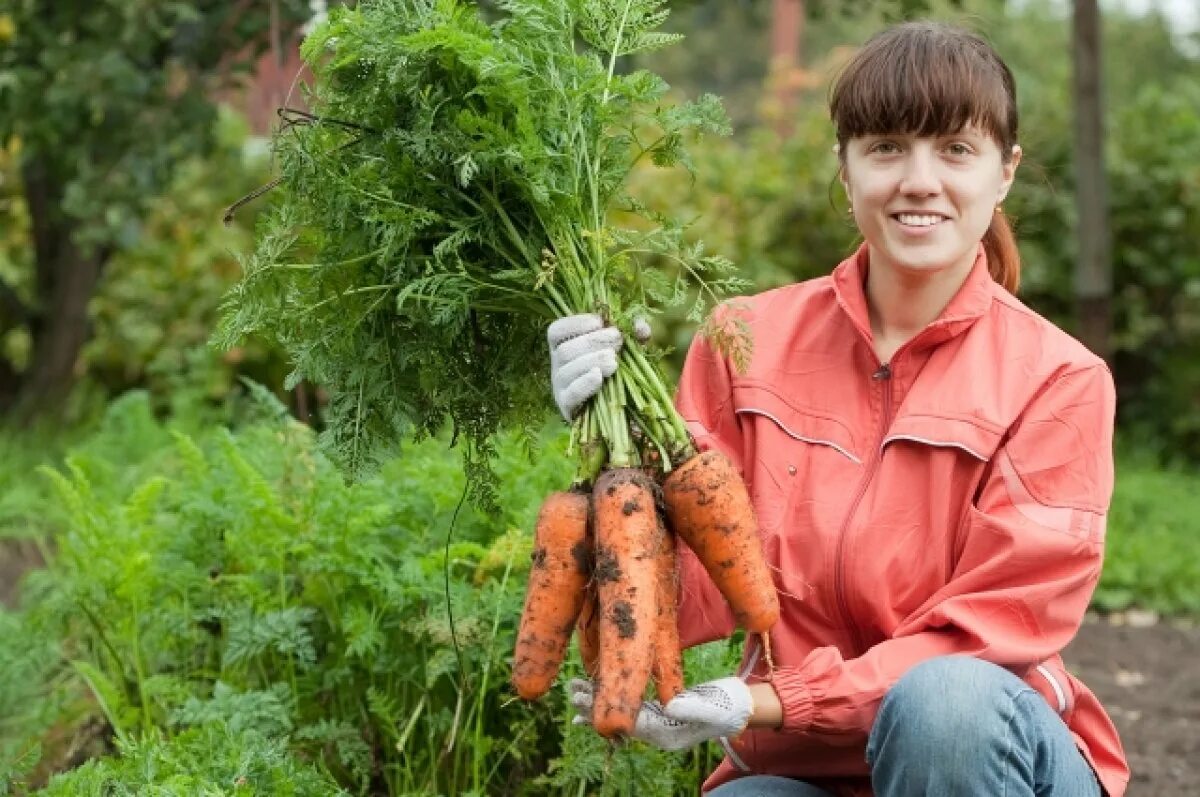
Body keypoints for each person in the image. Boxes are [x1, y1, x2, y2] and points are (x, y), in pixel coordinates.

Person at [547, 21, 1129, 797]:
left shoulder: (1058, 378)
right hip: (805, 768)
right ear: (846, 170)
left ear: (1005, 173)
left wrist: (766, 698)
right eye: (886, 146)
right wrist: (602, 462)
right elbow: (678, 589)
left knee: (944, 703)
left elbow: (992, 635)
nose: (919, 180)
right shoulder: (746, 340)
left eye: (955, 148)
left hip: (984, 757)